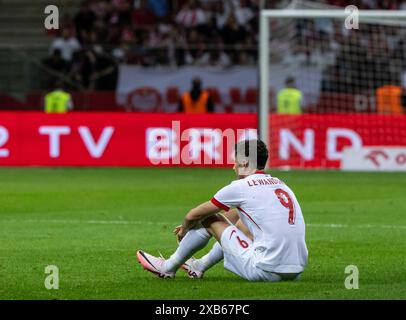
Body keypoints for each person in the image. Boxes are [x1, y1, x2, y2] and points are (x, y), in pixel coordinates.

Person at [137, 139, 308, 282]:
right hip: (295, 271)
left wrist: (185, 229)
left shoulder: (241, 186)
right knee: (241, 222)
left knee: (208, 218)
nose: (233, 167)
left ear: (244, 163)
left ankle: (167, 268)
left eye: (235, 161)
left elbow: (194, 214)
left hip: (265, 270)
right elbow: (235, 216)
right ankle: (198, 266)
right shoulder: (280, 184)